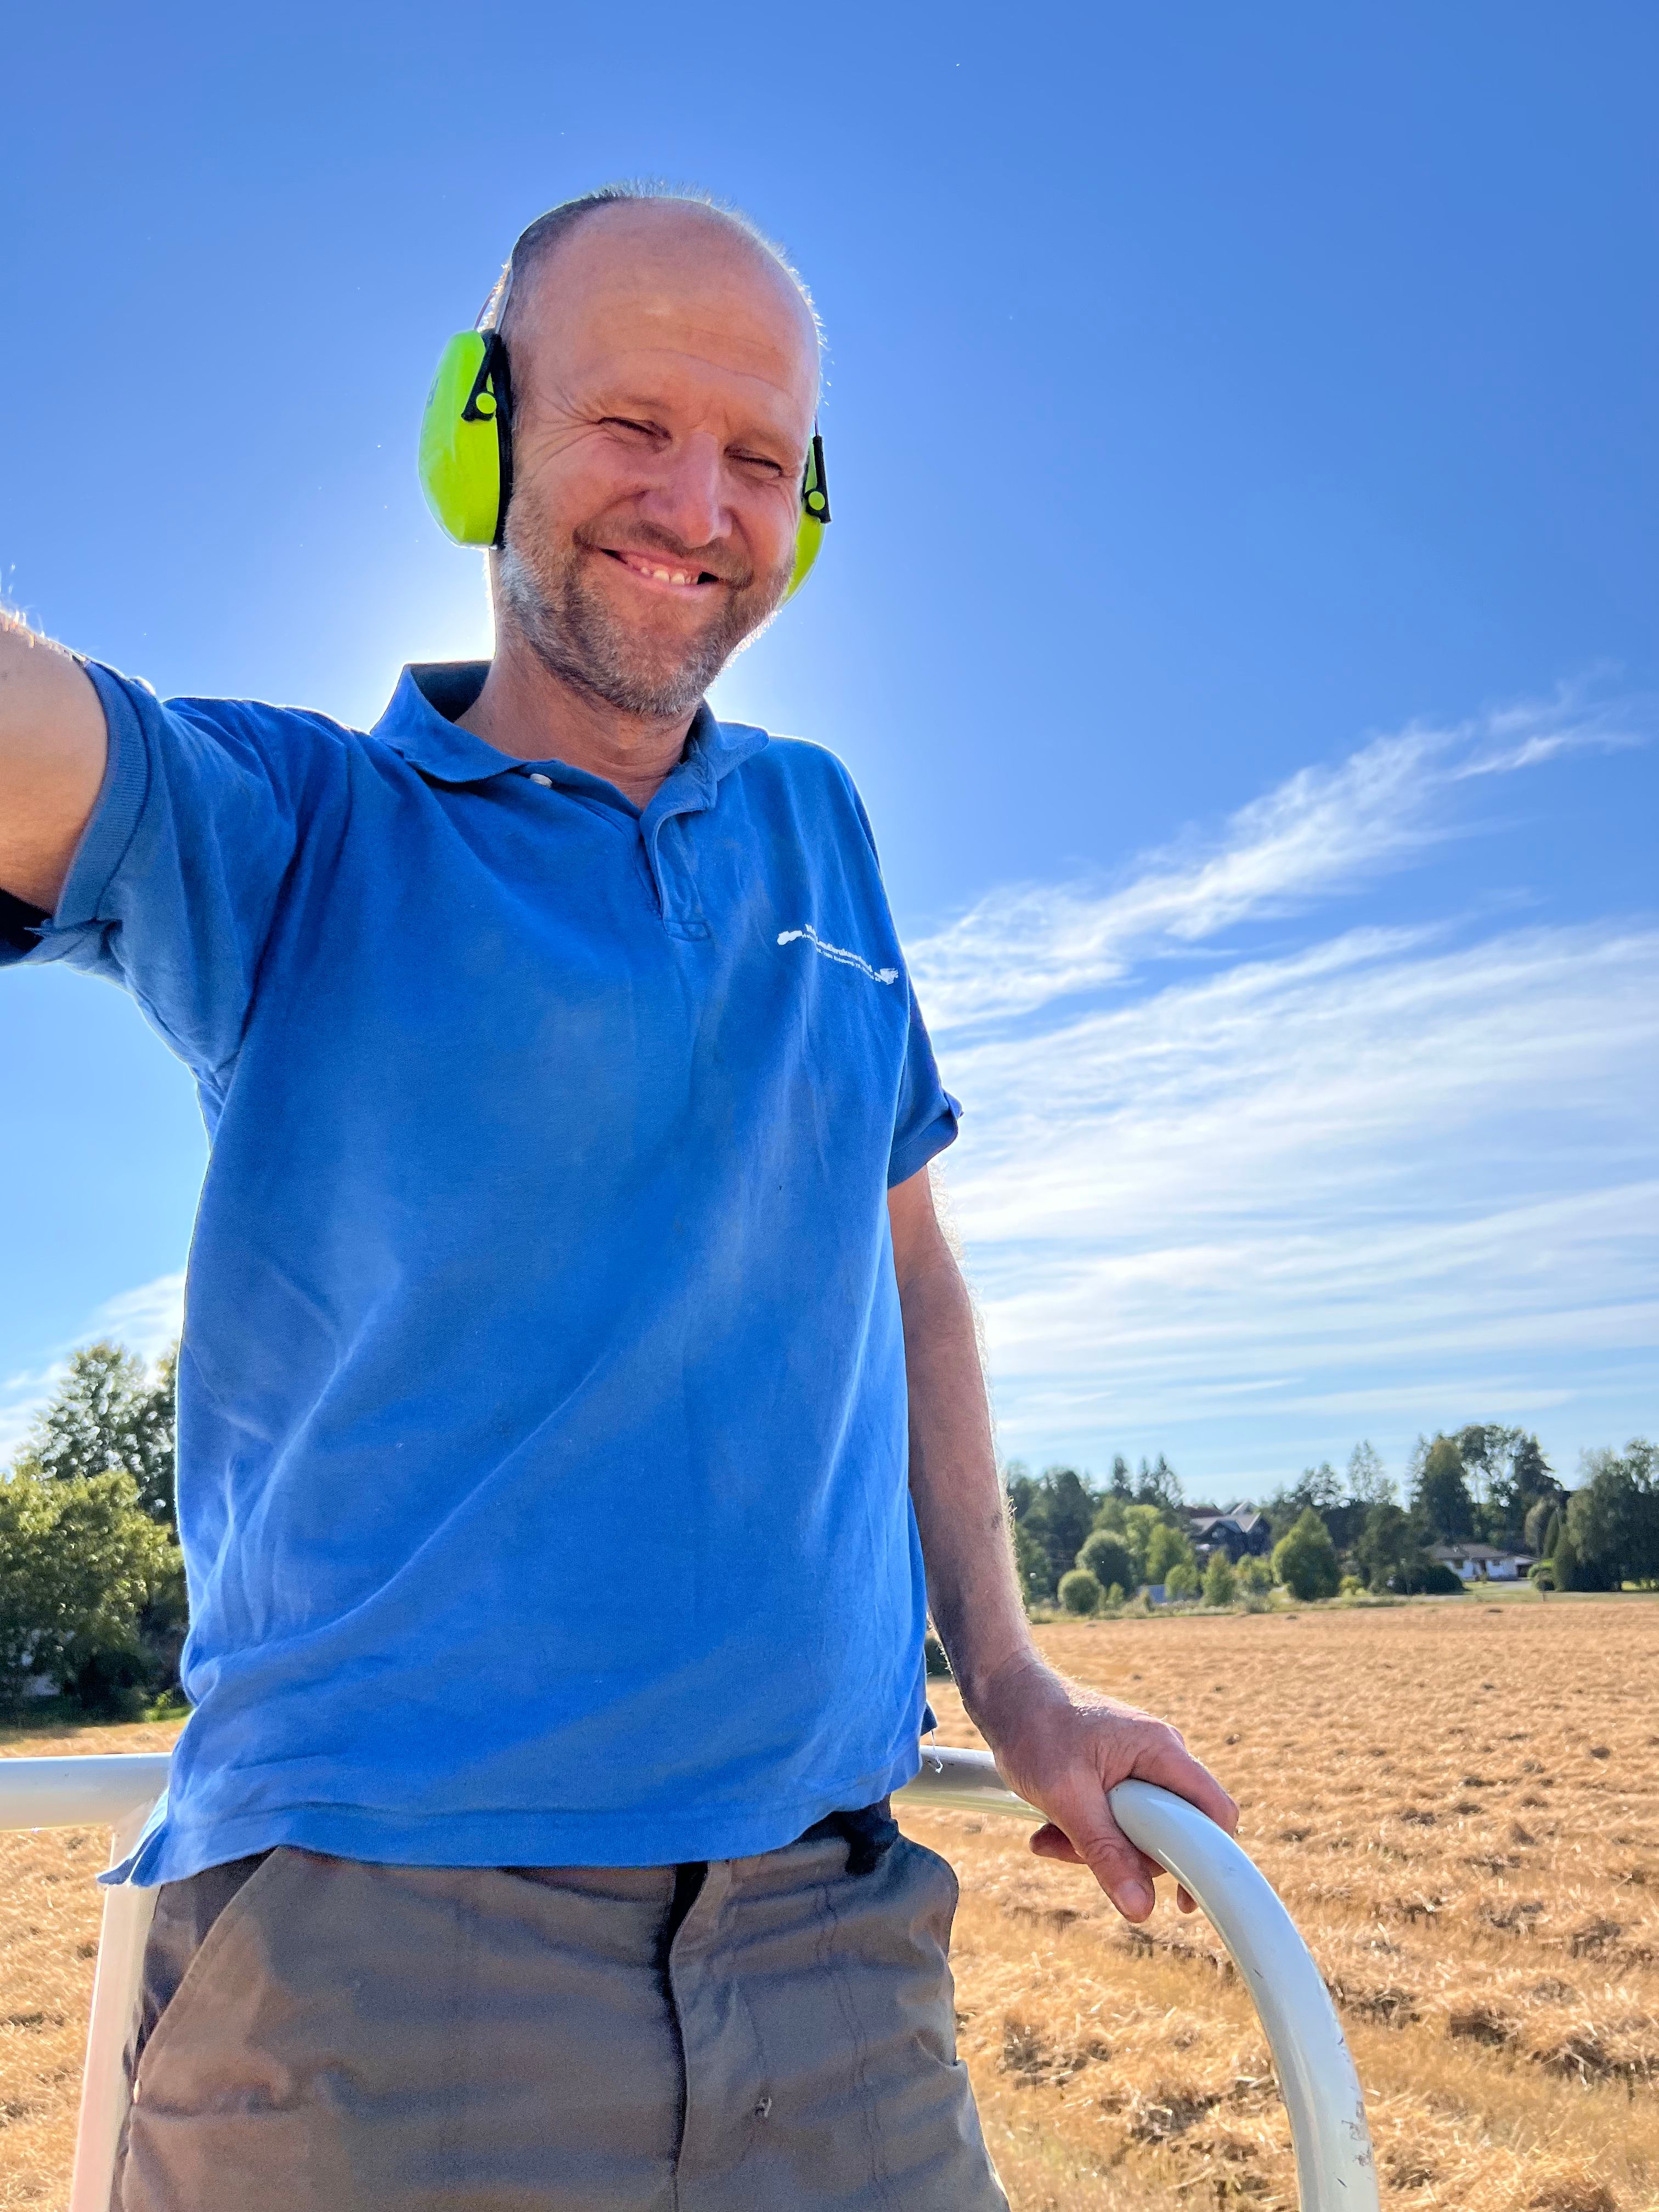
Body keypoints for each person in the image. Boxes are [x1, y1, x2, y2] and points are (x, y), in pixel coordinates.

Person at [0, 185, 1237, 2212]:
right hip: (373, 1972)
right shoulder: (299, 829)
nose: (697, 502)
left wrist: (1009, 1674)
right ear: (475, 436)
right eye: (631, 425)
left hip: (839, 1967)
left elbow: (908, 1269)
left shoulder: (824, 828)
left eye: (758, 457)